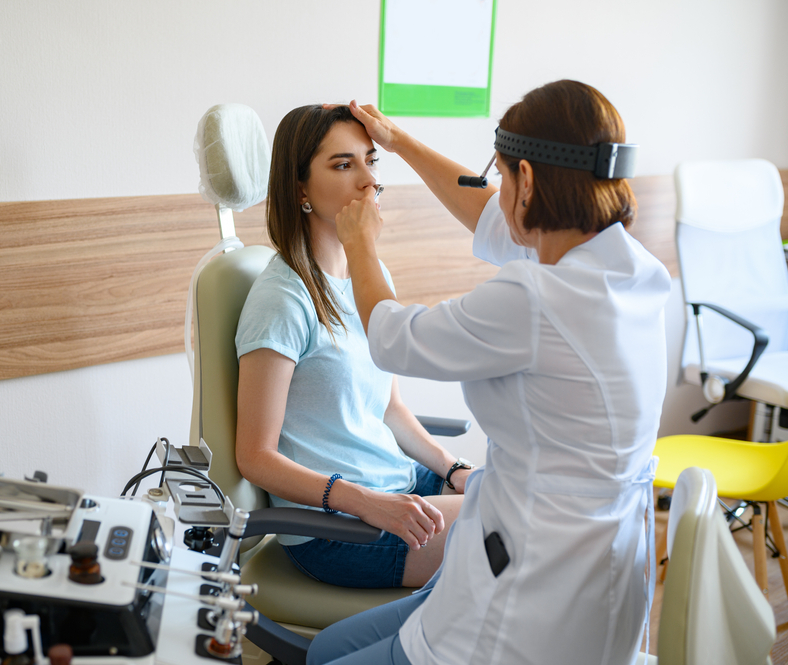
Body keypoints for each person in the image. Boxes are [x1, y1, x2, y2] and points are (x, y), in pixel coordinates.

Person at [308, 80, 671, 664]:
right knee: (328, 647)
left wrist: (361, 246)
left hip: (528, 591)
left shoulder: (537, 299)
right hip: (598, 561)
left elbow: (390, 337)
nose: (497, 192)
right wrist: (399, 142)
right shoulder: (631, 270)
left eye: (500, 175)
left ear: (528, 180)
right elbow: (492, 223)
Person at [234, 104, 470, 589]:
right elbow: (254, 456)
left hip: (396, 484)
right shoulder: (283, 298)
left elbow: (390, 409)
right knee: (519, 530)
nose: (369, 181)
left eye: (371, 160)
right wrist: (365, 502)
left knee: (528, 499)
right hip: (336, 527)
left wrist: (453, 470)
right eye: (343, 165)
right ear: (300, 188)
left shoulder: (369, 274)